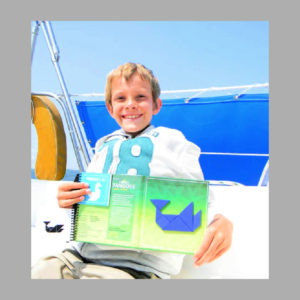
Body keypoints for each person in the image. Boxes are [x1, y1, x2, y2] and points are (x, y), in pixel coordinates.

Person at [54, 63, 233, 279]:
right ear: (110, 107)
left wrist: (221, 221)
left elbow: (201, 199)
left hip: (138, 268)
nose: (130, 105)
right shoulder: (103, 145)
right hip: (77, 257)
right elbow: (87, 200)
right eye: (121, 98)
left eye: (140, 97)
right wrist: (69, 201)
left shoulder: (174, 141)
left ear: (156, 105)